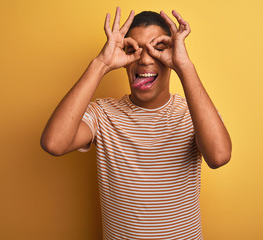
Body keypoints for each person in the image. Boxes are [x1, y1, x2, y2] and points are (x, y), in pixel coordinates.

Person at [41, 7, 232, 239]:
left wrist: (184, 66)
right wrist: (102, 63)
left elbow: (219, 156)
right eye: (134, 49)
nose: (144, 59)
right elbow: (54, 143)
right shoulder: (102, 114)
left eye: (157, 48)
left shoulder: (194, 113)